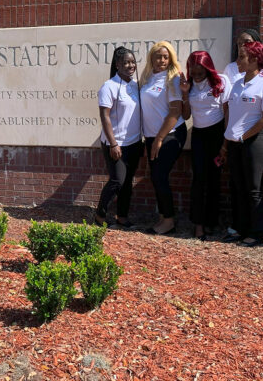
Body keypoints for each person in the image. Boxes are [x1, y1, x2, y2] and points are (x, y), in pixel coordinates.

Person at [219, 41, 263, 247]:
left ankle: (257, 233)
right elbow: (232, 114)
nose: (237, 61)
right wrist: (228, 142)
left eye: (241, 57)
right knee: (238, 187)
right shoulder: (237, 84)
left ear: (254, 60)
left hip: (254, 141)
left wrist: (244, 137)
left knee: (254, 189)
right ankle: (240, 228)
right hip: (235, 142)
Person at [180, 51, 230, 240]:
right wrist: (185, 94)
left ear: (208, 67)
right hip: (199, 136)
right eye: (194, 71)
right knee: (198, 180)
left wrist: (225, 144)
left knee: (214, 180)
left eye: (201, 72)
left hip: (218, 134)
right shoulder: (189, 85)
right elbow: (186, 116)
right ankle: (199, 225)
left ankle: (211, 222)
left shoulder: (221, 81)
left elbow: (227, 113)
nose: (197, 75)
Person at [139, 41, 186, 235]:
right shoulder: (147, 78)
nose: (162, 60)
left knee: (160, 176)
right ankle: (163, 217)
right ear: (152, 58)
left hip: (170, 134)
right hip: (152, 136)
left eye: (166, 57)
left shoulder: (173, 79)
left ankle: (169, 221)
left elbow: (175, 112)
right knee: (156, 177)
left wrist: (159, 139)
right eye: (158, 56)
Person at [94, 46, 143, 228]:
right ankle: (100, 215)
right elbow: (104, 116)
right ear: (117, 65)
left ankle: (122, 217)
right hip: (115, 144)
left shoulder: (136, 85)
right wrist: (113, 144)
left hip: (134, 143)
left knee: (127, 183)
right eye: (126, 63)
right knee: (117, 180)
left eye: (133, 62)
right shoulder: (109, 86)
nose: (130, 66)